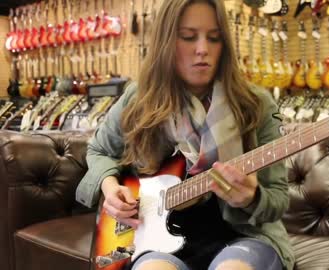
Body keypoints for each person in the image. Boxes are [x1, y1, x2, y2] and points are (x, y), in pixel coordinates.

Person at [76, 0, 294, 269]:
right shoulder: (139, 98)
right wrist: (110, 188)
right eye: (188, 37)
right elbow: (99, 151)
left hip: (243, 237)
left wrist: (253, 198)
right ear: (166, 42)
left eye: (213, 38)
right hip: (154, 240)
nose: (202, 49)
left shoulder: (256, 103)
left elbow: (278, 199)